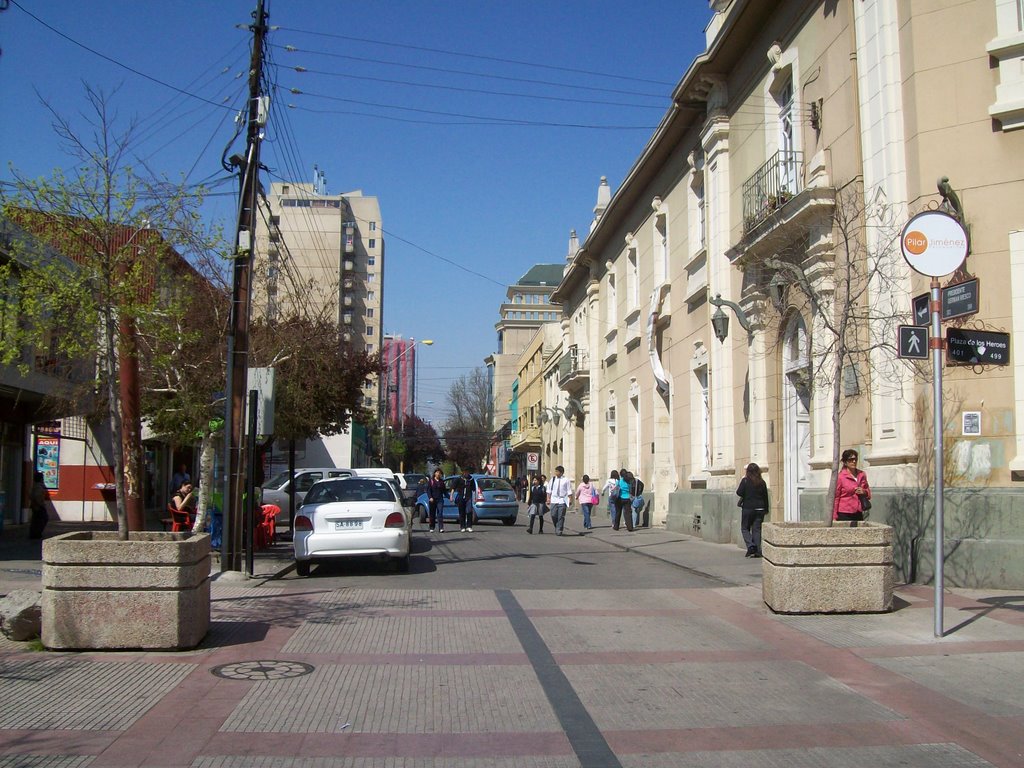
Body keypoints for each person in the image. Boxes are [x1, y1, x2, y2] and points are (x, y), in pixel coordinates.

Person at [736, 462, 770, 557]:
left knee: (745, 528)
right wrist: (766, 509)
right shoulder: (762, 482)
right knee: (757, 530)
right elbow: (765, 497)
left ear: (748, 471)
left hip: (748, 508)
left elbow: (739, 492)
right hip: (760, 509)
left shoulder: (745, 481)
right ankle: (758, 551)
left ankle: (751, 546)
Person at [834, 448, 871, 527]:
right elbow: (836, 497)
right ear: (845, 462)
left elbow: (868, 493)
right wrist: (834, 516)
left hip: (858, 511)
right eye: (851, 459)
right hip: (844, 512)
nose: (854, 461)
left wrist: (864, 492)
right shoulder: (840, 477)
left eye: (855, 459)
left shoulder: (862, 474)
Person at [546, 465, 572, 536]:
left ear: (561, 472)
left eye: (557, 471)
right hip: (554, 499)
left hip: (563, 500)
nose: (555, 472)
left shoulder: (566, 480)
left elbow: (569, 490)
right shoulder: (553, 479)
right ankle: (557, 526)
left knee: (561, 516)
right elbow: (549, 490)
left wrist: (570, 499)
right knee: (553, 515)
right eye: (555, 471)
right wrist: (548, 498)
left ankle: (559, 529)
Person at [29, 471, 49, 540]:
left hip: (36, 505)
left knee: (36, 520)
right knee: (42, 519)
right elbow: (36, 496)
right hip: (38, 506)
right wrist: (40, 504)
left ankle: (34, 534)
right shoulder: (38, 486)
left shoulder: (36, 485)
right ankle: (36, 534)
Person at [613, 468, 634, 532]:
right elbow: (631, 489)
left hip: (620, 498)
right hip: (627, 498)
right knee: (628, 513)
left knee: (618, 512)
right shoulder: (629, 481)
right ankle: (630, 527)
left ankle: (616, 526)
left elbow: (616, 489)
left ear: (621, 475)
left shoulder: (619, 481)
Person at [426, 468, 447, 533]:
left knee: (440, 513)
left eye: (439, 473)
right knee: (432, 514)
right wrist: (430, 497)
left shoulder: (442, 482)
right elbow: (428, 490)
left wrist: (450, 497)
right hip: (432, 500)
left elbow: (444, 491)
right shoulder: (431, 481)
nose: (438, 474)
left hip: (440, 499)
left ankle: (441, 528)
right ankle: (432, 527)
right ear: (435, 473)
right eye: (437, 472)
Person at [455, 467, 474, 532]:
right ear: (463, 472)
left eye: (467, 472)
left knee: (469, 511)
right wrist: (451, 495)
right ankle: (462, 526)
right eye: (465, 472)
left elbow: (474, 489)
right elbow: (453, 487)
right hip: (461, 497)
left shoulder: (471, 479)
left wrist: (475, 497)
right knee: (462, 512)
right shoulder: (459, 479)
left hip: (469, 497)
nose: (466, 473)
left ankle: (469, 526)